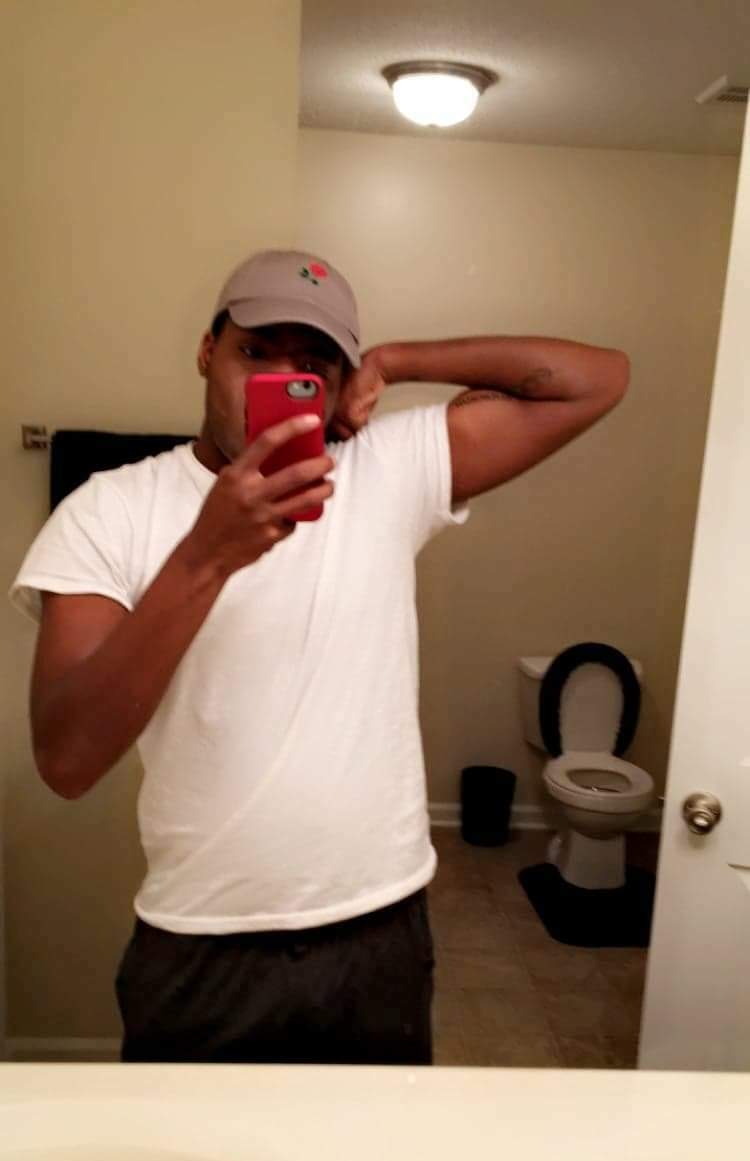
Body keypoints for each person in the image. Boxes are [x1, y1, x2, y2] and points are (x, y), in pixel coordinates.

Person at [9, 249, 630, 1064]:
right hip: (200, 940)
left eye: (311, 364)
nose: (276, 379)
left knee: (372, 1149)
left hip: (377, 932)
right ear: (207, 351)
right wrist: (207, 555)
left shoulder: (386, 468)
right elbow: (66, 758)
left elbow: (596, 380)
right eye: (254, 351)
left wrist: (397, 361)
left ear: (337, 386)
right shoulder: (109, 511)